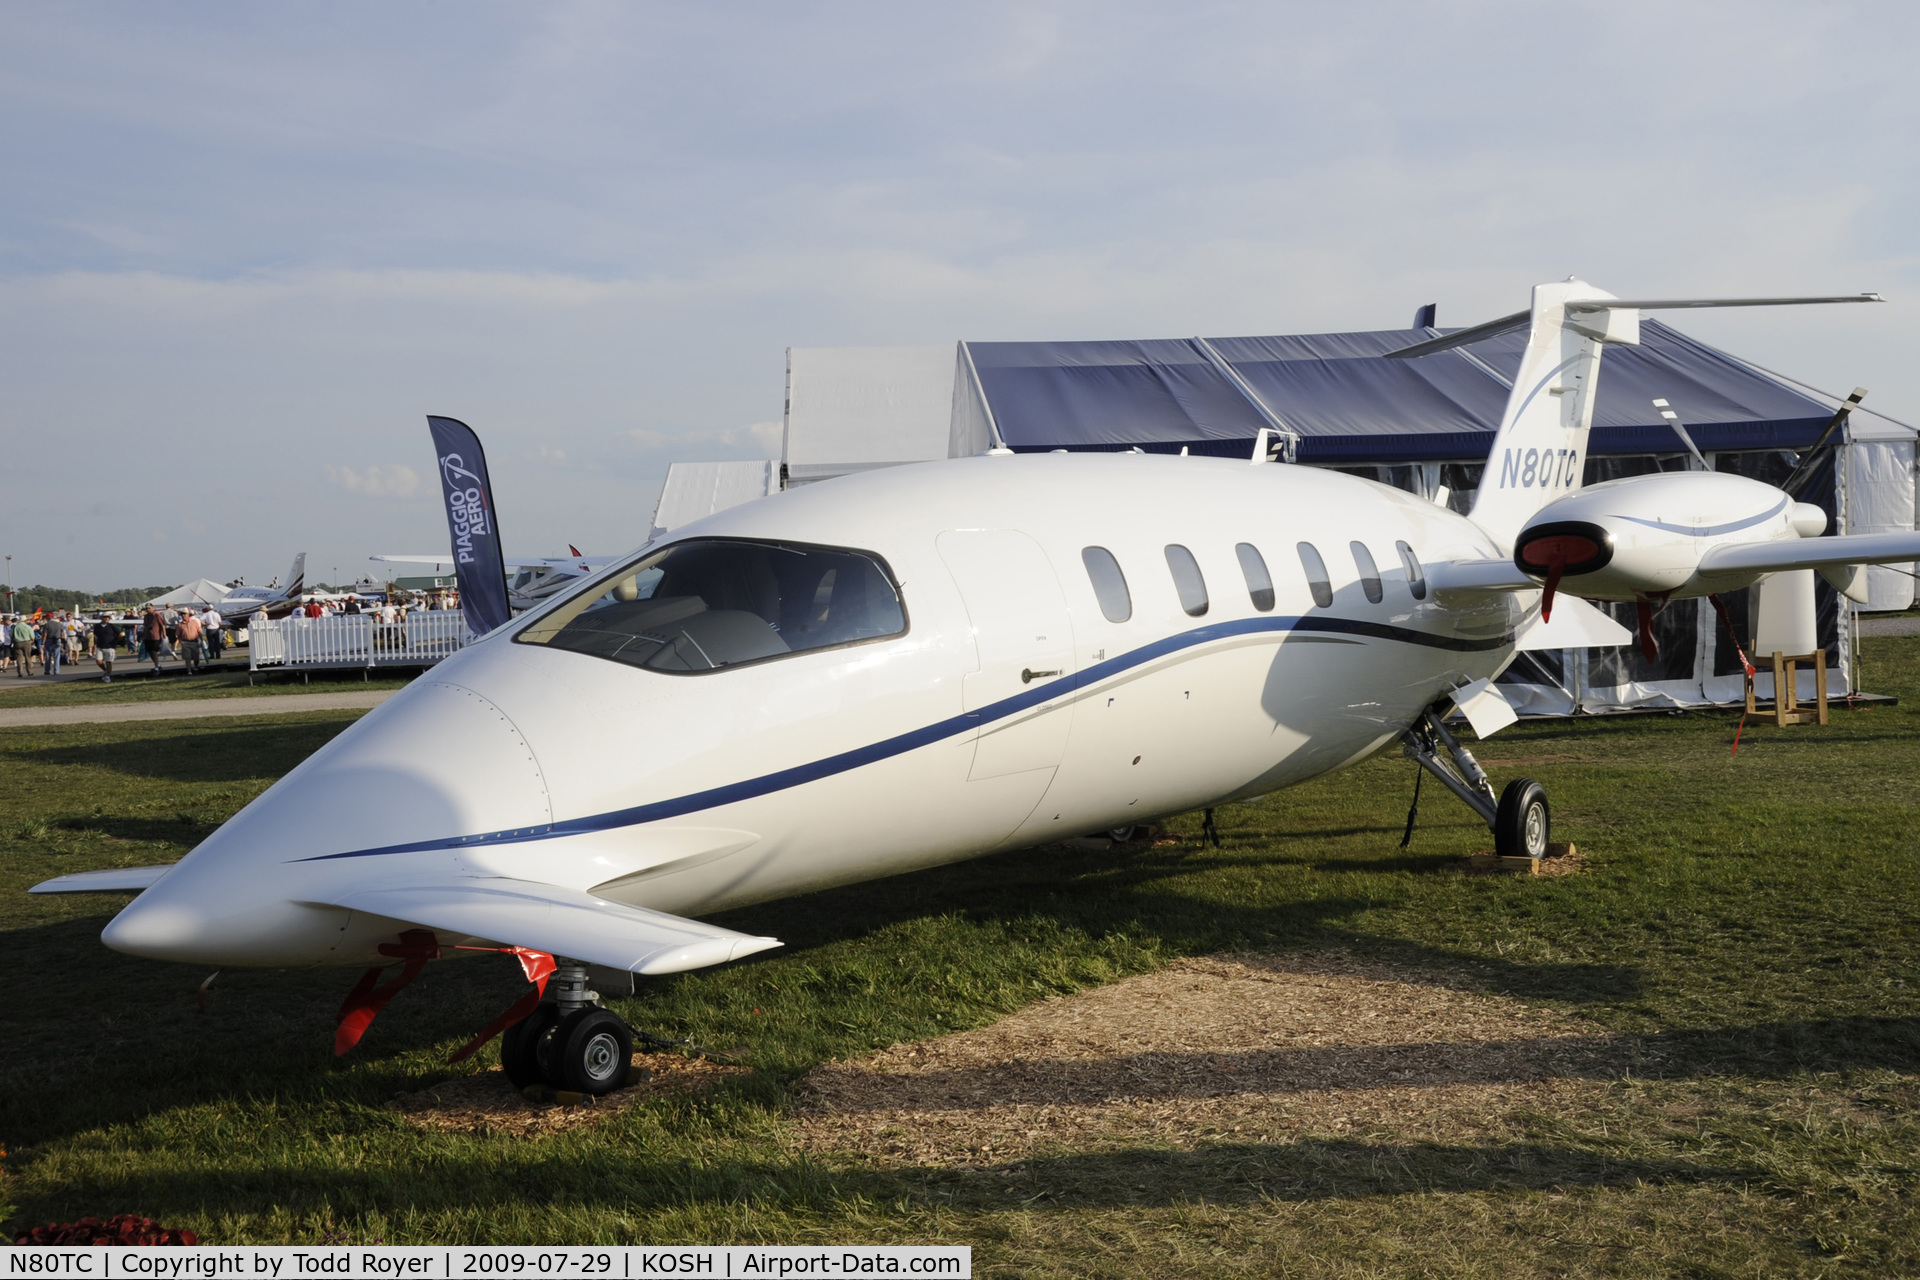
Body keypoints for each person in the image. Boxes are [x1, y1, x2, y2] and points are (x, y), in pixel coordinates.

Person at [140, 605, 168, 674]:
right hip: (147, 636)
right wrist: (143, 635)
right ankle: (157, 664)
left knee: (153, 650)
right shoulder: (146, 616)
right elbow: (144, 626)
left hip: (155, 636)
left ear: (152, 608)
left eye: (149, 608)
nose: (147, 609)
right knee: (150, 651)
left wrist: (164, 634)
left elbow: (162, 625)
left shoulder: (157, 615)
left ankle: (156, 666)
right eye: (146, 608)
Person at [92, 616, 120, 683]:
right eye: (105, 617)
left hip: (110, 646)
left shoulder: (112, 626)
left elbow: (120, 633)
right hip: (100, 646)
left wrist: (116, 641)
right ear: (101, 618)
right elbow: (95, 634)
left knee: (108, 662)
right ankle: (105, 670)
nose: (107, 619)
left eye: (108, 618)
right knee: (98, 661)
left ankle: (108, 676)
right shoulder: (97, 626)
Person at [176, 608, 204, 675]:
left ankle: (196, 667)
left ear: (188, 614)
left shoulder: (194, 622)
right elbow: (178, 634)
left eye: (184, 614)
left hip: (194, 642)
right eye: (182, 614)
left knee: (196, 657)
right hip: (185, 643)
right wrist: (179, 641)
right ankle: (189, 671)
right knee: (187, 658)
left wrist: (202, 640)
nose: (183, 615)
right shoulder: (180, 624)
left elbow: (199, 631)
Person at [41, 612, 66, 676]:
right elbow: (62, 633)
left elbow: (45, 635)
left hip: (49, 640)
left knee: (48, 656)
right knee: (57, 656)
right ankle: (56, 671)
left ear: (47, 617)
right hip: (57, 640)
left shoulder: (46, 625)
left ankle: (47, 670)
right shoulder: (59, 624)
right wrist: (63, 641)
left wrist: (42, 643)